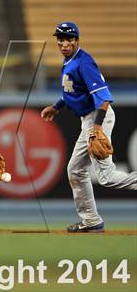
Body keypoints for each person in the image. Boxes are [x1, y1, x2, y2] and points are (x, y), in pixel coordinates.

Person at [41, 22, 137, 233]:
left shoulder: (83, 62)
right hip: (89, 119)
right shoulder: (70, 61)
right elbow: (73, 92)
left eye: (69, 39)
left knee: (106, 177)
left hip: (97, 117)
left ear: (77, 40)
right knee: (75, 170)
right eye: (61, 39)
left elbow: (103, 99)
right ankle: (91, 221)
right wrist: (56, 107)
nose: (64, 43)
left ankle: (91, 220)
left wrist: (96, 128)